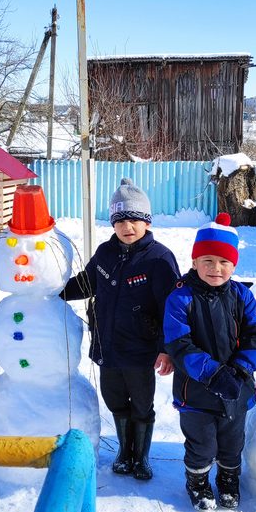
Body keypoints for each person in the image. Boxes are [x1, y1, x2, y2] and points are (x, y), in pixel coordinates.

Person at [61, 178, 180, 480]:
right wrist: (52, 292)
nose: (128, 226)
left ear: (147, 221)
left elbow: (172, 307)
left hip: (141, 350)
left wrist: (167, 349)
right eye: (121, 220)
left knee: (141, 404)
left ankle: (140, 457)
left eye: (135, 219)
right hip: (107, 345)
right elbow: (86, 283)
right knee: (114, 400)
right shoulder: (105, 253)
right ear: (113, 223)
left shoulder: (159, 258)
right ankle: (124, 451)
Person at [163, 214, 256, 510]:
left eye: (224, 262)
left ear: (234, 265)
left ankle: (228, 480)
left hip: (236, 387)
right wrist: (212, 373)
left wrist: (239, 369)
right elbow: (179, 343)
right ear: (195, 261)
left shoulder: (241, 295)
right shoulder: (181, 297)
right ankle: (197, 482)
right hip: (195, 390)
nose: (215, 268)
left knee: (232, 442)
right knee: (202, 444)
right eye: (207, 260)